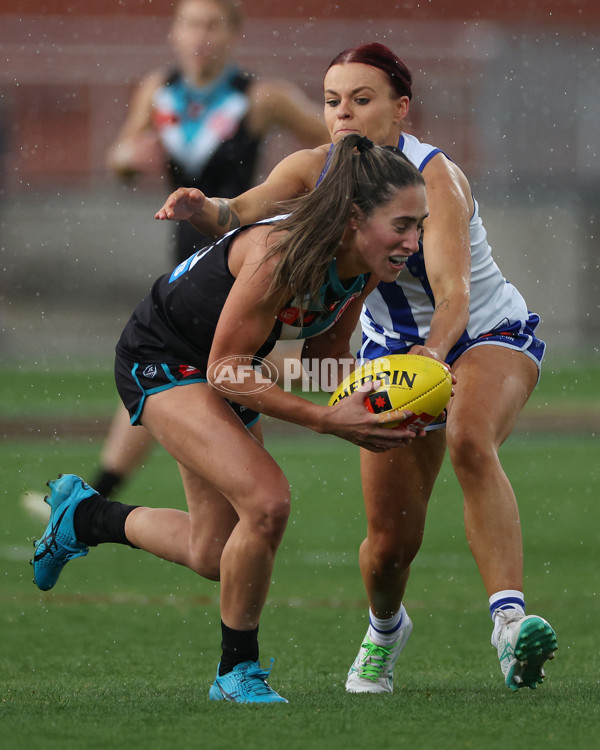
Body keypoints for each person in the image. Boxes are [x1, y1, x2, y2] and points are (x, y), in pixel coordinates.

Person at [154, 42, 558, 694]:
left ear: (400, 109)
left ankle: (509, 627)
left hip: (483, 332)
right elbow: (238, 213)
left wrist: (433, 356)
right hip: (388, 350)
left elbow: (453, 296)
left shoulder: (435, 180)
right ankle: (385, 627)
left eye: (361, 100)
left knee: (467, 437)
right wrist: (203, 209)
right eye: (332, 101)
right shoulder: (315, 167)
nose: (343, 114)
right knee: (389, 543)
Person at [31, 135, 429, 705]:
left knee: (215, 554)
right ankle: (236, 673)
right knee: (268, 503)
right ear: (354, 218)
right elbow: (225, 372)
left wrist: (390, 387)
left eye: (421, 225)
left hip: (223, 366)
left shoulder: (360, 270)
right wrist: (325, 423)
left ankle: (86, 516)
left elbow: (325, 367)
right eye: (403, 225)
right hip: (162, 359)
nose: (414, 243)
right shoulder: (279, 256)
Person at [93, 0, 330, 502]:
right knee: (177, 366)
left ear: (232, 35)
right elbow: (120, 156)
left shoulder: (264, 97)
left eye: (212, 23)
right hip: (184, 255)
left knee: (185, 365)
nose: (200, 34)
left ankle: (99, 496)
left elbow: (336, 148)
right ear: (174, 32)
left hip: (242, 250)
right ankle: (101, 496)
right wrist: (126, 159)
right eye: (190, 22)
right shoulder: (159, 91)